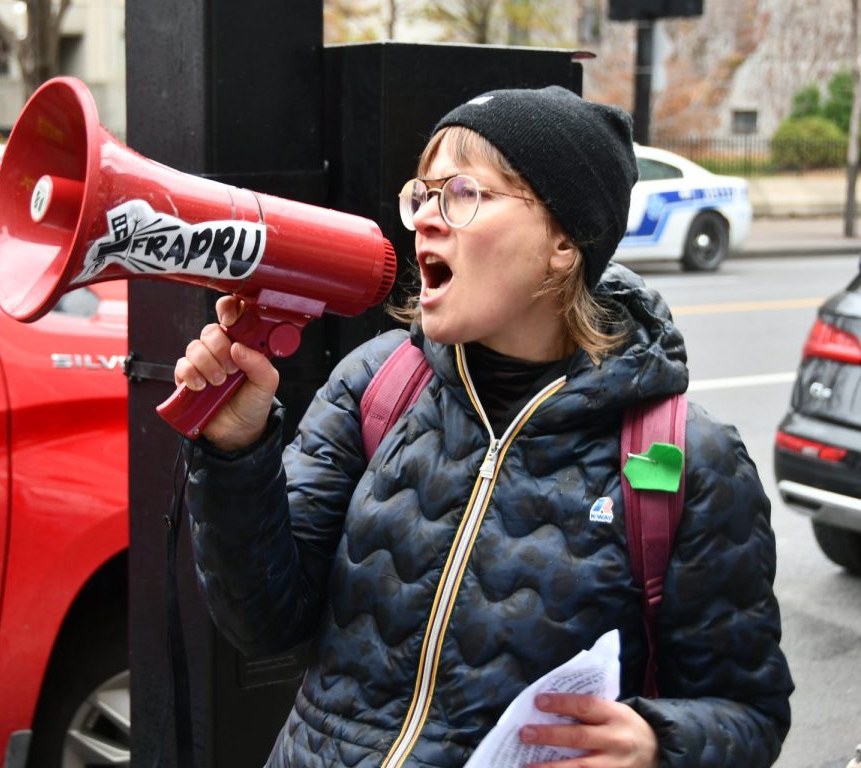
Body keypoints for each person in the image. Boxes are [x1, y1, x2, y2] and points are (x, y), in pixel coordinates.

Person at [174, 86, 793, 767]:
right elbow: (262, 624)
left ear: (563, 241)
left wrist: (657, 744)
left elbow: (748, 714)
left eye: (464, 193)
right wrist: (236, 452)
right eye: (424, 194)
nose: (426, 221)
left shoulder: (690, 459)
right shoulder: (376, 385)